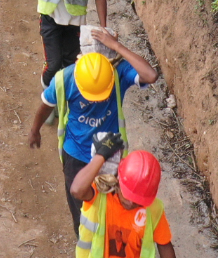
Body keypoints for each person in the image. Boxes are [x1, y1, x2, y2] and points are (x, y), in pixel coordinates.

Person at [29, 31, 156, 234]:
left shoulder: (118, 73)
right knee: (82, 214)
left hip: (111, 155)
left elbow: (151, 75)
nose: (96, 100)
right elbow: (45, 105)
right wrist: (35, 130)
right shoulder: (66, 78)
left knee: (113, 209)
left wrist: (118, 47)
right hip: (76, 157)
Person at [72, 146, 173, 258]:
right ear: (118, 181)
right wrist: (100, 157)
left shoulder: (154, 210)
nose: (130, 203)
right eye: (128, 195)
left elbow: (164, 244)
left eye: (138, 201)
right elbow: (77, 190)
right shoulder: (100, 196)